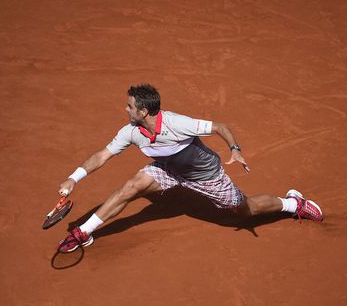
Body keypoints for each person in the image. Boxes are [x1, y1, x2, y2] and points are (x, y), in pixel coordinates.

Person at [57, 84, 323, 252]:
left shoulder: (177, 123)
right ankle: (85, 232)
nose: (125, 109)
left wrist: (235, 149)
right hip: (167, 170)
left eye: (130, 106)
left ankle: (292, 204)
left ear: (145, 111)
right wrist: (74, 178)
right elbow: (103, 155)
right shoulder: (131, 132)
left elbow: (220, 127)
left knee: (247, 210)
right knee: (131, 187)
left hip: (207, 176)